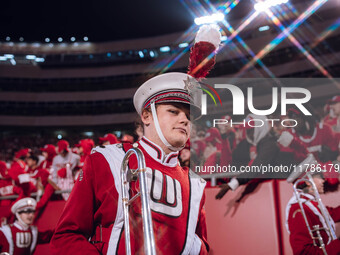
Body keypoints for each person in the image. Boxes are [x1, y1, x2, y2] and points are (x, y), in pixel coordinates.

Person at [50, 72, 209, 254]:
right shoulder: (106, 160)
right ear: (146, 116)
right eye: (174, 111)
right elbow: (66, 236)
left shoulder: (195, 184)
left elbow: (201, 248)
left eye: (189, 116)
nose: (184, 120)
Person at [285, 173, 340, 254]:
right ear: (308, 181)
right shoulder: (299, 209)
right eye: (320, 177)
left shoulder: (311, 204)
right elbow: (303, 252)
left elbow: (333, 214)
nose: (324, 180)